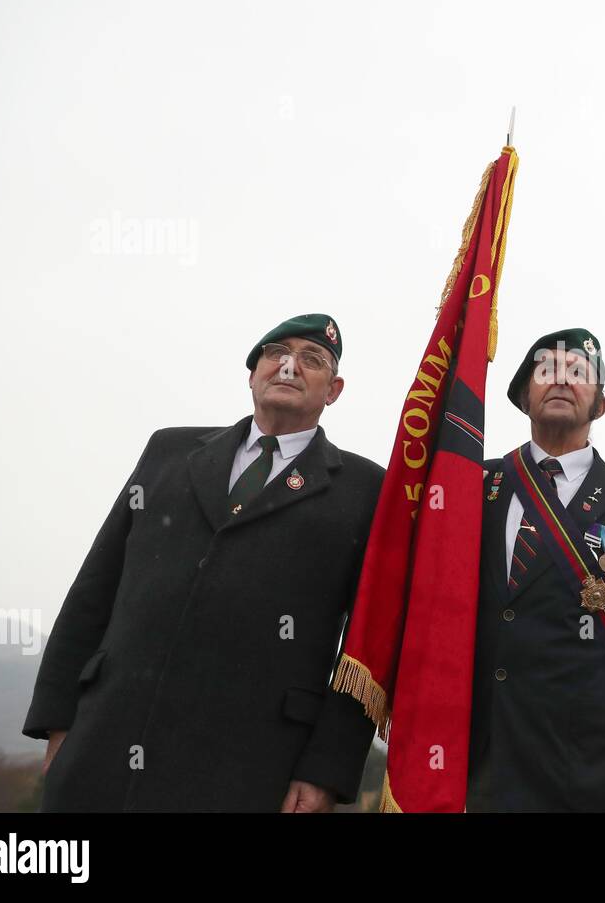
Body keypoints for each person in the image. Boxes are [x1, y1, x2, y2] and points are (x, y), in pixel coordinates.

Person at [23, 314, 385, 811]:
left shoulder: (366, 490)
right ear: (252, 373)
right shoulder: (168, 450)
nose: (288, 366)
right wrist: (56, 719)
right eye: (275, 353)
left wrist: (326, 769)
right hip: (106, 738)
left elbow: (365, 645)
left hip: (251, 764)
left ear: (334, 389)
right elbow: (95, 587)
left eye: (312, 360)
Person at [466, 328, 605, 811]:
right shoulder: (477, 485)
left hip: (593, 765)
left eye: (578, 372)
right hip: (489, 758)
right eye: (547, 371)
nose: (561, 381)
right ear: (524, 397)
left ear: (599, 405)